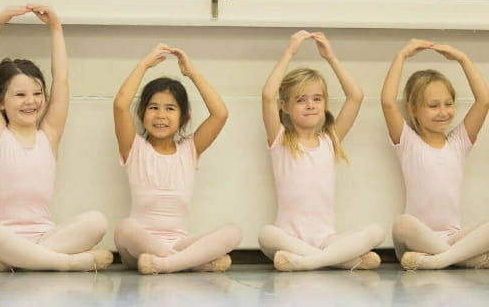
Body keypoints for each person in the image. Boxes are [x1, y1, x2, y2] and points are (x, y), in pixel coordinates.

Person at [0, 5, 112, 272]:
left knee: (97, 222)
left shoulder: (49, 134)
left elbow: (62, 80)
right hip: (3, 236)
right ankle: (68, 263)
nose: (31, 102)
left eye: (37, 93)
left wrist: (56, 28)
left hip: (47, 237)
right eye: (20, 95)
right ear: (1, 102)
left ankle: (16, 262)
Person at [259, 30, 385, 271]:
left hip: (327, 239)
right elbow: (267, 96)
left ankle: (309, 261)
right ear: (285, 106)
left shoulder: (330, 140)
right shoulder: (280, 139)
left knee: (376, 232)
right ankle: (339, 259)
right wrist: (290, 51)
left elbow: (355, 96)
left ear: (325, 103)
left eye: (317, 99)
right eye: (300, 100)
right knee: (266, 234)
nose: (310, 105)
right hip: (287, 238)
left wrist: (331, 58)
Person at [113, 44, 242, 275]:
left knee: (234, 231)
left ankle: (168, 263)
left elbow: (220, 113)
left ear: (184, 117)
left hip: (178, 243)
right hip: (138, 248)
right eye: (153, 107)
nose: (161, 115)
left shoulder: (189, 149)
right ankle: (190, 262)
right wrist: (143, 65)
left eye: (170, 108)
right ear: (141, 114)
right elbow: (120, 104)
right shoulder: (134, 148)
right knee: (124, 228)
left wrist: (192, 73)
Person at [381, 39, 489, 270]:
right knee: (403, 223)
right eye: (433, 105)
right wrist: (401, 56)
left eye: (448, 104)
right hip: (415, 241)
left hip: (452, 238)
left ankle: (440, 260)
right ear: (411, 108)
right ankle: (462, 259)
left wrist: (463, 59)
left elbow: (483, 101)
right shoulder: (408, 142)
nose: (443, 112)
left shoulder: (459, 143)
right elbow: (388, 103)